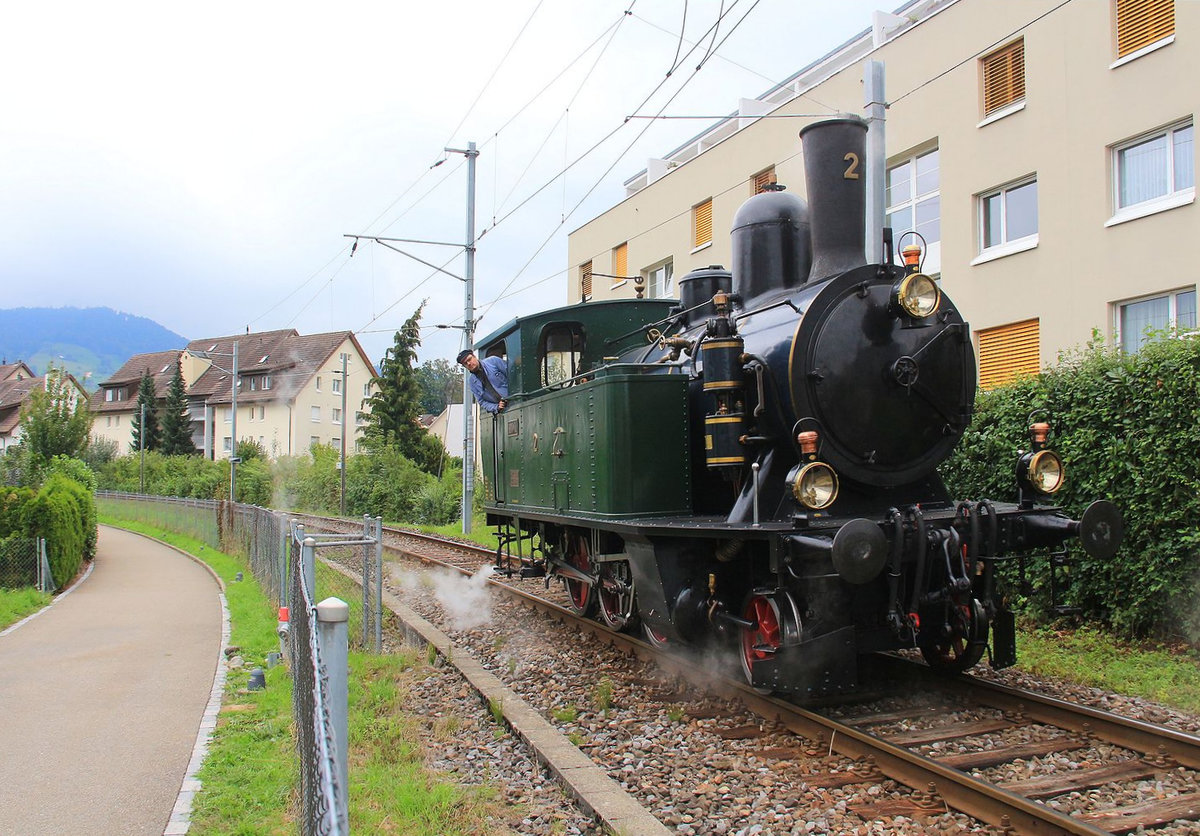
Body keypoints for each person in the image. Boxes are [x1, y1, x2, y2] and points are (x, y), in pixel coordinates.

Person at [457, 349, 508, 414]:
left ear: (474, 356)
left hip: (515, 399)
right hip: (501, 412)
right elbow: (481, 402)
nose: (469, 363)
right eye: (465, 363)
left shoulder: (493, 361)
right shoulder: (472, 382)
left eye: (469, 359)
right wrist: (496, 407)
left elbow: (512, 374)